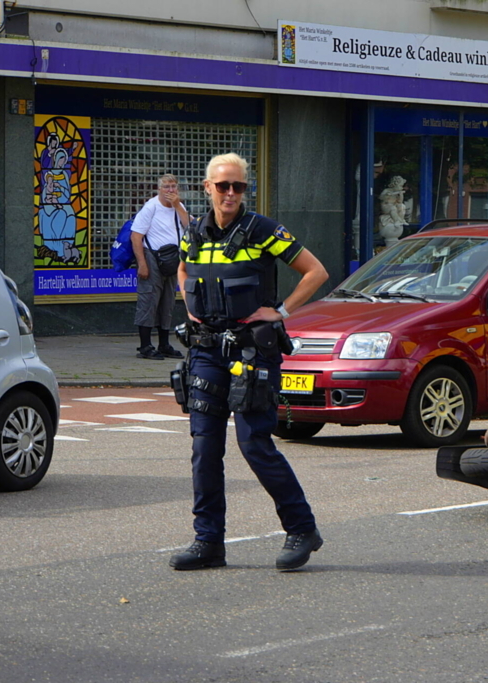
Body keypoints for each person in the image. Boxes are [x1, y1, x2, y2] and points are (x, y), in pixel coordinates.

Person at [169, 153, 329, 572]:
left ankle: (302, 528)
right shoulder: (194, 231)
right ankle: (208, 542)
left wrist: (280, 311)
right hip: (206, 351)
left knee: (253, 443)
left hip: (252, 351)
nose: (230, 193)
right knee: (204, 448)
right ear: (207, 188)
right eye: (222, 186)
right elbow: (184, 271)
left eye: (238, 187)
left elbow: (315, 272)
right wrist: (190, 304)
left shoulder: (262, 230)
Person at [131, 174, 191, 360]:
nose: (170, 190)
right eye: (166, 187)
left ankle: (164, 344)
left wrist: (178, 206)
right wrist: (142, 264)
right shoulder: (151, 207)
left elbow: (190, 225)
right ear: (159, 189)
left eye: (173, 186)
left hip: (172, 260)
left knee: (167, 302)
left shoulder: (178, 207)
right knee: (149, 301)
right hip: (152, 257)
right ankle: (145, 345)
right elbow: (136, 236)